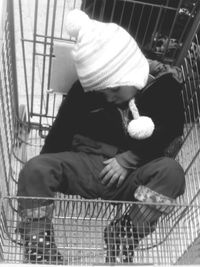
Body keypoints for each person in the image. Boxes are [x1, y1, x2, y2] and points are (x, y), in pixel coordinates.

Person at [16, 9, 185, 264]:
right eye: (101, 91)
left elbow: (171, 131)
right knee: (35, 168)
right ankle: (39, 243)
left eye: (115, 88)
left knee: (171, 172)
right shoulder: (84, 92)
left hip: (132, 171)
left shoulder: (163, 87)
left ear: (129, 70)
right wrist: (45, 171)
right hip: (86, 163)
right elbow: (61, 131)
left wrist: (129, 159)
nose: (109, 96)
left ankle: (125, 231)